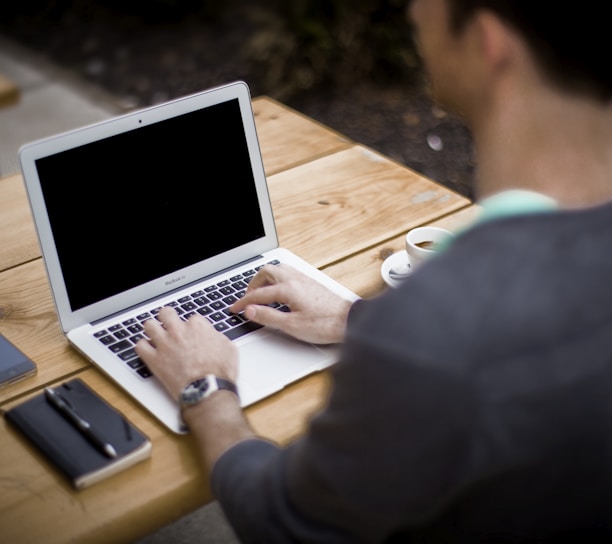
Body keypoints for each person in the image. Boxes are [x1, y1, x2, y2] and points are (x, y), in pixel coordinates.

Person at [136, 0, 612, 541]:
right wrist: (353, 316)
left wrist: (206, 389)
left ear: (488, 41)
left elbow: (282, 523)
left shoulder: (444, 323)